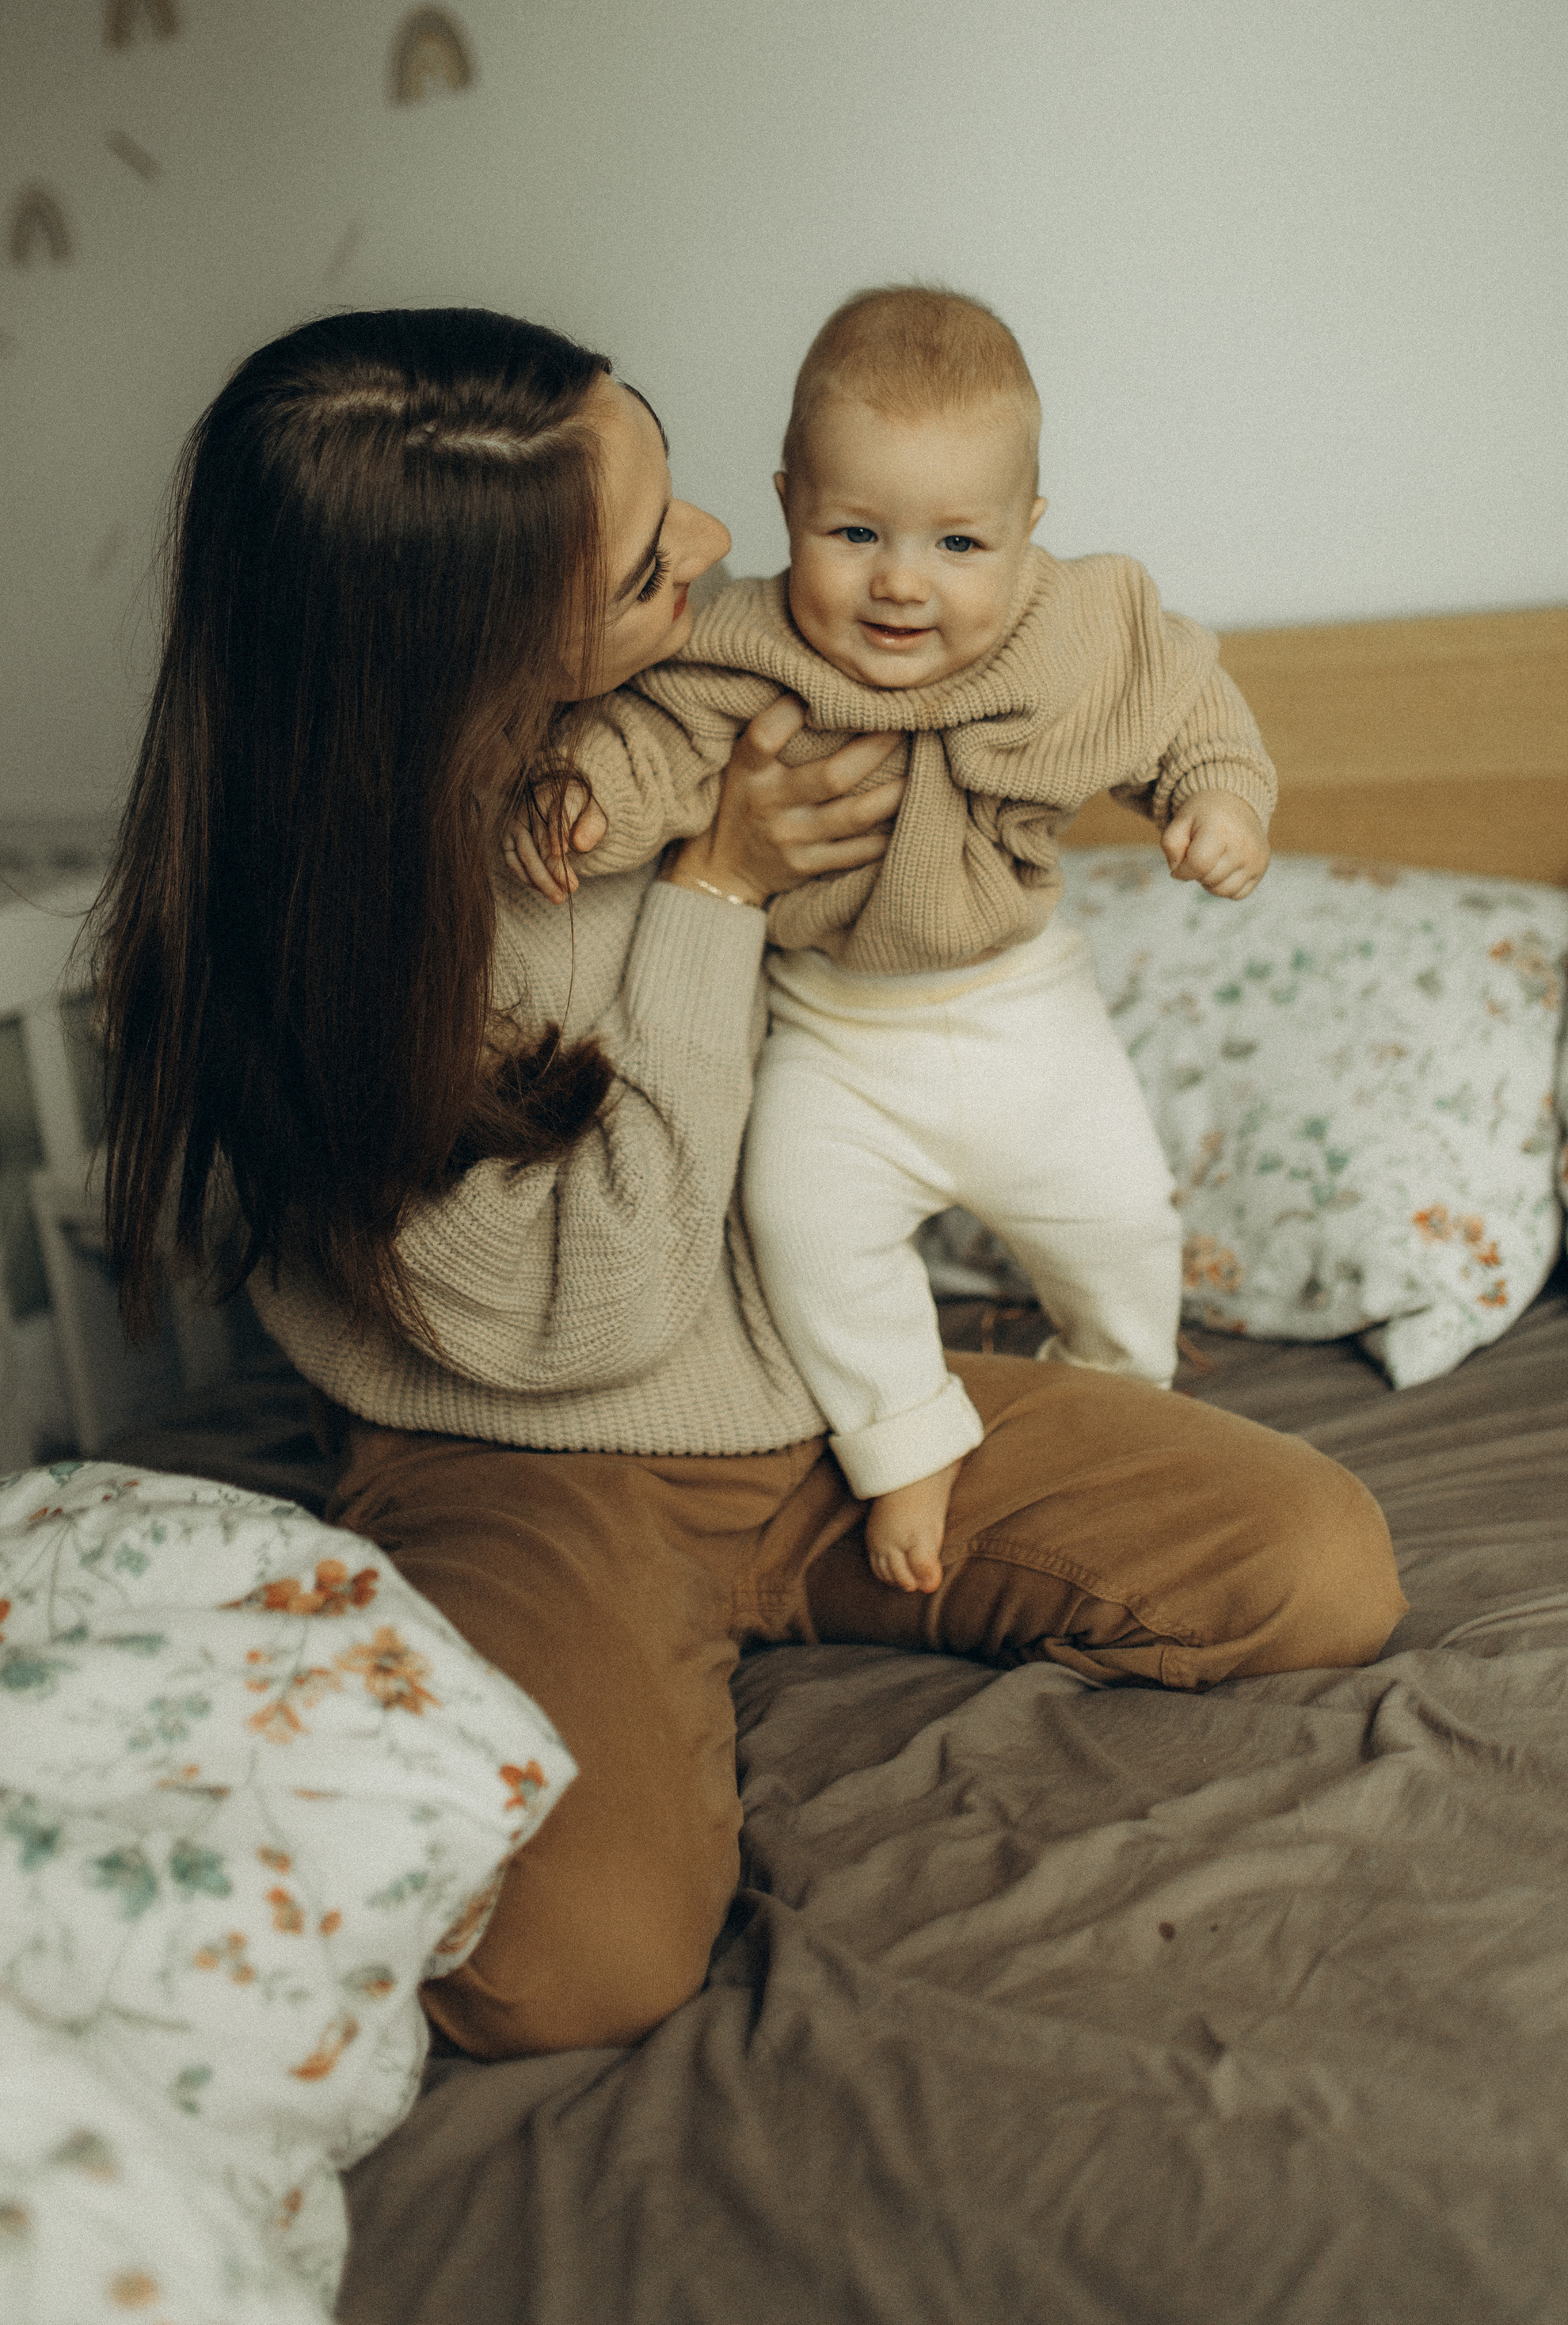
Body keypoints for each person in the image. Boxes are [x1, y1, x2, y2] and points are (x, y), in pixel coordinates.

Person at [96, 304, 1405, 2064]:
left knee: (1313, 1562)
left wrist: (1100, 780)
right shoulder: (345, 956)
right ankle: (565, 1663)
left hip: (804, 1388)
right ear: (471, 654)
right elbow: (596, 1317)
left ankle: (782, 1593)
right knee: (572, 1967)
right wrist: (710, 897)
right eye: (650, 565)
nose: (717, 550)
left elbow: (1058, 694)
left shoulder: (713, 682)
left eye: (677, 489)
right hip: (523, 1456)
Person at [509, 286, 1275, 1596]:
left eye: (960, 544)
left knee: (1126, 1228)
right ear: (789, 503)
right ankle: (904, 1433)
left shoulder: (1085, 625)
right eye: (853, 531)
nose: (901, 581)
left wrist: (1219, 799)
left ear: (1032, 532)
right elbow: (653, 734)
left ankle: (1114, 1384)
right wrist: (585, 796)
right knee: (803, 1223)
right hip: (832, 1029)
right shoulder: (745, 641)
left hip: (1023, 1015)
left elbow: (1184, 703)